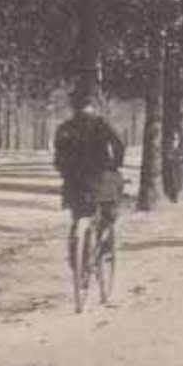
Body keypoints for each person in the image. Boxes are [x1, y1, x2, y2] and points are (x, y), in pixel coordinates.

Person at [53, 94, 126, 271]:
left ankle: (75, 257)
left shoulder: (65, 127)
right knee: (109, 210)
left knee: (78, 215)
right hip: (100, 177)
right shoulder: (101, 123)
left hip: (74, 181)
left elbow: (58, 154)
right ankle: (105, 247)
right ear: (93, 107)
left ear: (74, 108)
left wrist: (65, 172)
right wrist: (116, 164)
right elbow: (119, 144)